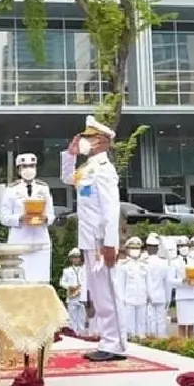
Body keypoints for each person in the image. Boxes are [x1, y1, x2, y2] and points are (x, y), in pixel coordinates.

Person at [66, 116, 126, 363]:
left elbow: (111, 209)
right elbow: (67, 179)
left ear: (100, 141)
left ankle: (117, 345)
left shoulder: (104, 170)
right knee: (100, 295)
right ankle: (107, 341)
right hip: (89, 240)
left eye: (88, 138)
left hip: (102, 242)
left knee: (109, 293)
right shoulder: (88, 168)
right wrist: (70, 156)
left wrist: (110, 243)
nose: (83, 141)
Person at [0, 152, 55, 283]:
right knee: (20, 281)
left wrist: (45, 219)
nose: (28, 169)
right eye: (24, 166)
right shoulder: (11, 190)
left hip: (40, 240)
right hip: (19, 241)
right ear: (19, 169)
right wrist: (20, 218)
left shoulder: (43, 188)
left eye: (31, 166)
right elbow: (4, 217)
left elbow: (51, 214)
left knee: (40, 281)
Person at [119, 237, 150, 339]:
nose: (135, 251)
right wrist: (122, 300)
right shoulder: (123, 265)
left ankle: (141, 340)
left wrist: (149, 295)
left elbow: (147, 282)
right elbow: (121, 285)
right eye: (132, 248)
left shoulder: (144, 265)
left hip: (142, 298)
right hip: (128, 299)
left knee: (142, 324)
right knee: (129, 326)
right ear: (127, 250)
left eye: (137, 248)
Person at [144, 234, 172, 337]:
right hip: (161, 295)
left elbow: (145, 282)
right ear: (157, 248)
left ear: (147, 247)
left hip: (147, 297)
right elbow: (167, 283)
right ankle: (161, 341)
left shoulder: (144, 262)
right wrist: (168, 298)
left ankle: (151, 340)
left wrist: (147, 295)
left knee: (149, 319)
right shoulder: (163, 263)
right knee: (161, 320)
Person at [59, 248, 88, 334]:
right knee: (72, 316)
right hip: (72, 296)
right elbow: (62, 282)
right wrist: (69, 286)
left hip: (82, 295)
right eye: (74, 257)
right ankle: (73, 333)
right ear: (71, 259)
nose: (76, 259)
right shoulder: (67, 271)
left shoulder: (84, 269)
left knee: (82, 316)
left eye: (78, 257)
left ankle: (81, 333)